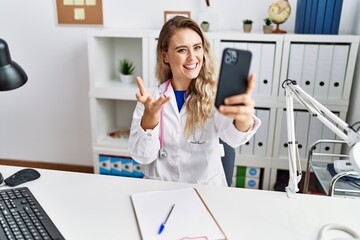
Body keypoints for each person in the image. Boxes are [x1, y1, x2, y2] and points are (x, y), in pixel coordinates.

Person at [128, 16, 261, 186]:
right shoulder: (150, 100)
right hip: (160, 187)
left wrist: (244, 118)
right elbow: (142, 156)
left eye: (197, 48)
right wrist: (150, 120)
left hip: (205, 190)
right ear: (165, 55)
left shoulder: (215, 96)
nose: (192, 57)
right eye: (182, 50)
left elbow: (233, 138)